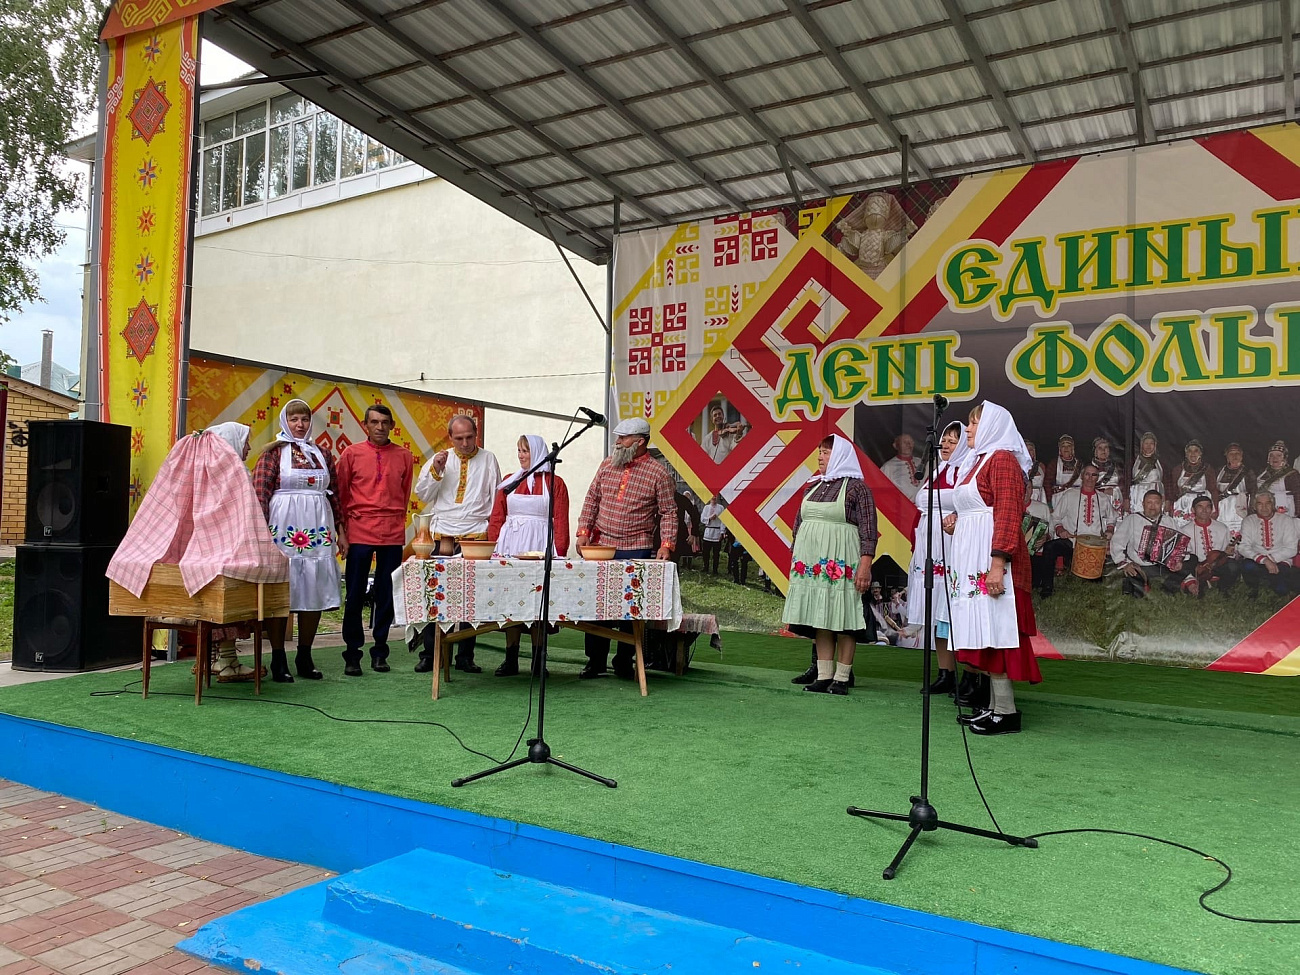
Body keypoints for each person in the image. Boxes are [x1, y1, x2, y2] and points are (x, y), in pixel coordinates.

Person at [942, 402, 1041, 735]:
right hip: (972, 558)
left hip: (993, 561)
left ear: (992, 426)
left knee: (996, 631)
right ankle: (990, 706)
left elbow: (1009, 513)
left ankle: (1007, 711)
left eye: (974, 424)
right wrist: (959, 520)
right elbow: (978, 507)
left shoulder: (1002, 459)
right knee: (982, 631)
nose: (968, 430)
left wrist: (998, 564)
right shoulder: (978, 460)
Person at [252, 400, 346, 683]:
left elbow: (336, 494)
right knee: (282, 591)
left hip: (318, 527)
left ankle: (304, 654)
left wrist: (342, 531)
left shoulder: (324, 454)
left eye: (304, 419)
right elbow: (260, 494)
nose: (300, 424)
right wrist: (261, 536)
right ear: (285, 421)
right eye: (294, 419)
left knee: (314, 590)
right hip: (284, 528)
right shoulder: (272, 454)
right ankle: (278, 656)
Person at [576, 417, 676, 679]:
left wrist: (666, 544)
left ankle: (624, 660)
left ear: (640, 442)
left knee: (630, 609)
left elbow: (669, 512)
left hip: (637, 546)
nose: (617, 442)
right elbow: (591, 499)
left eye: (623, 438)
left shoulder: (659, 473)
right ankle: (595, 661)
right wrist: (583, 532)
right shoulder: (607, 464)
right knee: (597, 606)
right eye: (617, 437)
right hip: (601, 545)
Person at [781, 435, 876, 694]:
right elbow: (798, 526)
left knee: (844, 618)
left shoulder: (858, 488)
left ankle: (842, 677)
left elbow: (869, 531)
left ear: (841, 456)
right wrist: (796, 554)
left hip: (844, 561)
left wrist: (865, 566)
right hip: (814, 566)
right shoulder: (812, 486)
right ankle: (824, 675)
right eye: (820, 452)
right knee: (821, 617)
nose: (820, 457)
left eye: (826, 452)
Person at [414, 415, 501, 673]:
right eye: (459, 438)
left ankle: (465, 656)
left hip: (475, 534)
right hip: (443, 536)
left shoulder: (488, 459)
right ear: (450, 437)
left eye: (469, 437)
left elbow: (496, 498)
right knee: (435, 594)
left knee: (469, 597)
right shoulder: (440, 459)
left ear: (477, 434)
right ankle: (431, 654)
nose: (464, 443)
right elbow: (423, 494)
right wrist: (436, 471)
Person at [335, 404, 413, 676]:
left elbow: (404, 495)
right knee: (355, 593)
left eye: (384, 422)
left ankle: (380, 651)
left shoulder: (404, 456)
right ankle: (352, 654)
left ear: (392, 425)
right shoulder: (351, 454)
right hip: (359, 530)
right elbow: (341, 495)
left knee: (386, 592)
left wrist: (395, 520)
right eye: (374, 422)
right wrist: (341, 533)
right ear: (365, 424)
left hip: (391, 531)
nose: (380, 427)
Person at [484, 434, 570, 677]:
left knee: (538, 602)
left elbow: (561, 519)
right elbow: (497, 516)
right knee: (511, 600)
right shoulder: (509, 481)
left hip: (541, 544)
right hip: (510, 543)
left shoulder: (555, 482)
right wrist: (492, 547)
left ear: (538, 452)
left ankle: (538, 660)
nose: (521, 455)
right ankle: (511, 658)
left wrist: (560, 552)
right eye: (519, 450)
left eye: (526, 451)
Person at [905, 420, 970, 693]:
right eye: (944, 441)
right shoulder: (938, 470)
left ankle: (970, 675)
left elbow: (961, 501)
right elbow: (921, 501)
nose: (945, 446)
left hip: (953, 545)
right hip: (930, 544)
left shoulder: (967, 471)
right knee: (936, 611)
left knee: (954, 612)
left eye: (953, 442)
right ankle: (945, 671)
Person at [204, 423, 262, 682]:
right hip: (227, 547)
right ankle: (226, 660)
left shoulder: (208, 469)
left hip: (209, 548)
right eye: (245, 441)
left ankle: (221, 659)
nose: (248, 446)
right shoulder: (233, 472)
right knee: (231, 600)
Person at [1110, 489, 1196, 597]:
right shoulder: (1132, 519)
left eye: (1156, 503)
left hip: (1164, 566)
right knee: (1134, 591)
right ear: (1143, 504)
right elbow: (1117, 542)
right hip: (1140, 565)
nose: (1152, 506)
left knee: (1192, 559)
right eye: (1149, 502)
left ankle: (1168, 585)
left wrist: (1178, 560)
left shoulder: (1168, 521)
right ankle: (1144, 582)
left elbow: (1182, 543)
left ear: (1161, 505)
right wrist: (1125, 563)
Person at [1041, 465, 1116, 587]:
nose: (1090, 478)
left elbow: (1112, 517)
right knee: (1050, 547)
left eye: (1094, 475)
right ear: (1082, 476)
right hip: (1072, 541)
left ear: (1097, 478)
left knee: (1093, 583)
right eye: (1087, 474)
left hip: (1094, 546)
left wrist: (1109, 530)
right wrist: (1060, 529)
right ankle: (1046, 588)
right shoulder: (1070, 495)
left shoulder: (1103, 498)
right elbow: (1055, 516)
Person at [1236, 492, 1300, 597]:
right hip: (1257, 560)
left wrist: (1271, 559)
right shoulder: (1249, 521)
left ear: (1273, 505)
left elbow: (1291, 549)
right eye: (1260, 504)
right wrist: (1264, 560)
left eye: (1268, 503)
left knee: (1281, 590)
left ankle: (1271, 581)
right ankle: (1254, 587)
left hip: (1280, 561)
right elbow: (1243, 547)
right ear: (1254, 506)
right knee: (1246, 566)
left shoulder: (1286, 520)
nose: (1264, 507)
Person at [1184, 495, 1238, 597]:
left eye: (1207, 507)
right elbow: (1185, 557)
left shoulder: (1222, 528)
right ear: (1193, 510)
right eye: (1200, 506)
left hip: (1218, 564)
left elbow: (1229, 554)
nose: (1204, 510)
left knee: (1233, 566)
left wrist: (1229, 552)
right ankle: (1198, 583)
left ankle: (1223, 587)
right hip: (1197, 567)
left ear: (1212, 509)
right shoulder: (1185, 530)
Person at [1167, 439, 1216, 524]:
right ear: (1186, 454)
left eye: (1196, 451)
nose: (1193, 454)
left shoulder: (1208, 469)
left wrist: (1215, 508)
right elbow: (1173, 490)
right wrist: (1171, 505)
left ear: (1200, 453)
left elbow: (1213, 490)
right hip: (1182, 505)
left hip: (1201, 504)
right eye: (1190, 451)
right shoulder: (1178, 469)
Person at [1215, 442, 1254, 536]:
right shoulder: (1219, 471)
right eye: (1231, 453)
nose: (1234, 456)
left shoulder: (1248, 472)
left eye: (1237, 453)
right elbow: (1213, 491)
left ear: (1241, 455)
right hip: (1222, 510)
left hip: (1240, 509)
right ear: (1226, 456)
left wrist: (1251, 512)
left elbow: (1254, 492)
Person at [1025, 479, 1054, 598]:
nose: (1026, 491)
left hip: (1035, 554)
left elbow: (1050, 531)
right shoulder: (1009, 507)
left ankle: (1045, 585)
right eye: (1023, 487)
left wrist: (1045, 538)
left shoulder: (1042, 508)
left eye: (1029, 488)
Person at [1255, 440, 1300, 516]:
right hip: (1264, 509)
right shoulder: (1261, 472)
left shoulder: (1291, 474)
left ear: (1284, 458)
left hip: (1285, 509)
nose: (1274, 458)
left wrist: (1298, 514)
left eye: (1278, 455)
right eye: (1272, 455)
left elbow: (1298, 495)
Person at [1129, 432, 1163, 514]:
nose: (1148, 446)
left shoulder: (1161, 462)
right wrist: (1127, 498)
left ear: (1155, 445)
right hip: (1137, 495)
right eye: (1146, 443)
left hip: (1155, 492)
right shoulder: (1133, 462)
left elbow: (1167, 481)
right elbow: (1127, 481)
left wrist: (1167, 498)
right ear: (1142, 445)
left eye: (1151, 443)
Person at [1090, 437, 1124, 520]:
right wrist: (1103, 491)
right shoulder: (1089, 468)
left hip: (1115, 500)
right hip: (1097, 501)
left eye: (1106, 447)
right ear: (1095, 451)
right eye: (1100, 448)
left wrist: (1117, 492)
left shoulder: (1117, 467)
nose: (1103, 450)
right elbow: (1085, 487)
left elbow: (1123, 484)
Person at [880, 433, 920, 500]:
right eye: (904, 442)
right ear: (896, 445)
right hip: (901, 507)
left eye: (910, 442)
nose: (908, 445)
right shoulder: (888, 467)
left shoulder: (922, 463)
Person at [669, 490, 702, 567]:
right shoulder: (661, 497)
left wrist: (693, 533)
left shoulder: (681, 499)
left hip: (679, 530)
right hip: (662, 531)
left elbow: (695, 515)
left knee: (675, 558)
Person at [1044, 434, 1081, 499]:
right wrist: (1049, 501)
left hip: (1077, 498)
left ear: (1072, 448)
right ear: (1060, 449)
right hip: (1059, 498)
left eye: (1069, 446)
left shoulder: (1079, 464)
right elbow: (1047, 484)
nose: (1066, 448)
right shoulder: (1054, 464)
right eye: (1063, 446)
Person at [700, 494, 726, 574]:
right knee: (706, 552)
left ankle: (715, 569)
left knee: (716, 553)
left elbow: (723, 521)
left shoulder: (721, 508)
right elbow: (702, 519)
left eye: (715, 497)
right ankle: (706, 566)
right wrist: (709, 518)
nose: (714, 498)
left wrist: (722, 532)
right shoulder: (706, 507)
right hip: (708, 531)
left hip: (717, 531)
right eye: (712, 497)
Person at [1025, 440, 1048, 507]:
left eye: (1030, 450)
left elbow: (1046, 483)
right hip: (1026, 496)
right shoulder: (1019, 466)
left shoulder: (1041, 466)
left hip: (1040, 496)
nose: (1029, 452)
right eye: (1026, 450)